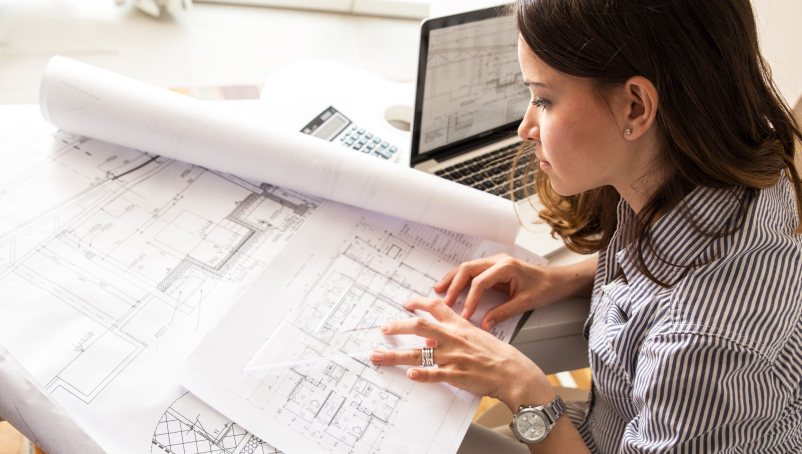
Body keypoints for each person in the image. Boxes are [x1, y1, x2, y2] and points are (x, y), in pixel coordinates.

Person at [370, 0, 802, 452]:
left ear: (635, 107)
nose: (525, 127)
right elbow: (667, 267)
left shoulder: (702, 344)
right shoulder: (736, 170)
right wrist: (563, 278)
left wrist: (521, 389)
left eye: (544, 99)